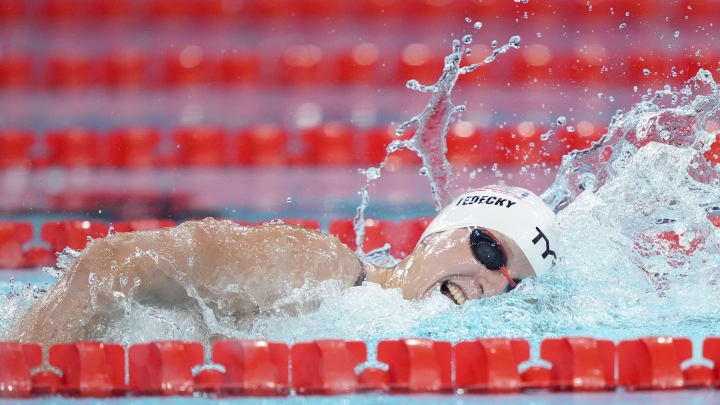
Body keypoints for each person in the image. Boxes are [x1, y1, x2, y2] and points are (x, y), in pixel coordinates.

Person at [13, 185, 557, 346]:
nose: (490, 282)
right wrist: (31, 375)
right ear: (439, 231)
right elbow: (115, 263)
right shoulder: (323, 269)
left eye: (512, 285)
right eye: (489, 252)